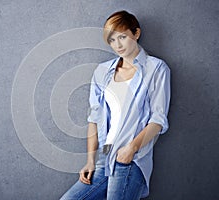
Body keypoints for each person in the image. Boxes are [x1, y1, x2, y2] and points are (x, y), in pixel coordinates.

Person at [60, 10, 171, 200]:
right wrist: (90, 161)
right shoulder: (102, 71)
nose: (117, 45)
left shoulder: (156, 68)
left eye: (122, 37)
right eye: (111, 40)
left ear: (136, 33)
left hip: (129, 158)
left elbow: (158, 120)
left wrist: (131, 149)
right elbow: (94, 119)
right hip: (104, 157)